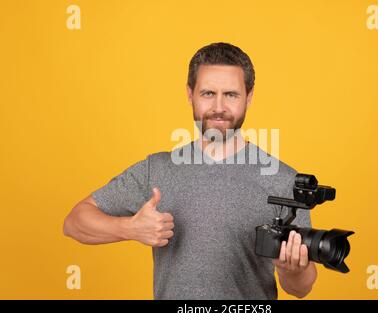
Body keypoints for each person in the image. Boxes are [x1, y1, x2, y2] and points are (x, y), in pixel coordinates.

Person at [63, 42, 317, 299]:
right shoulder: (157, 170)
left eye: (231, 94)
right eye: (208, 93)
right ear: (189, 94)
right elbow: (74, 223)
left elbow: (301, 288)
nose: (219, 107)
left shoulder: (284, 180)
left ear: (249, 97)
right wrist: (130, 228)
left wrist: (292, 270)